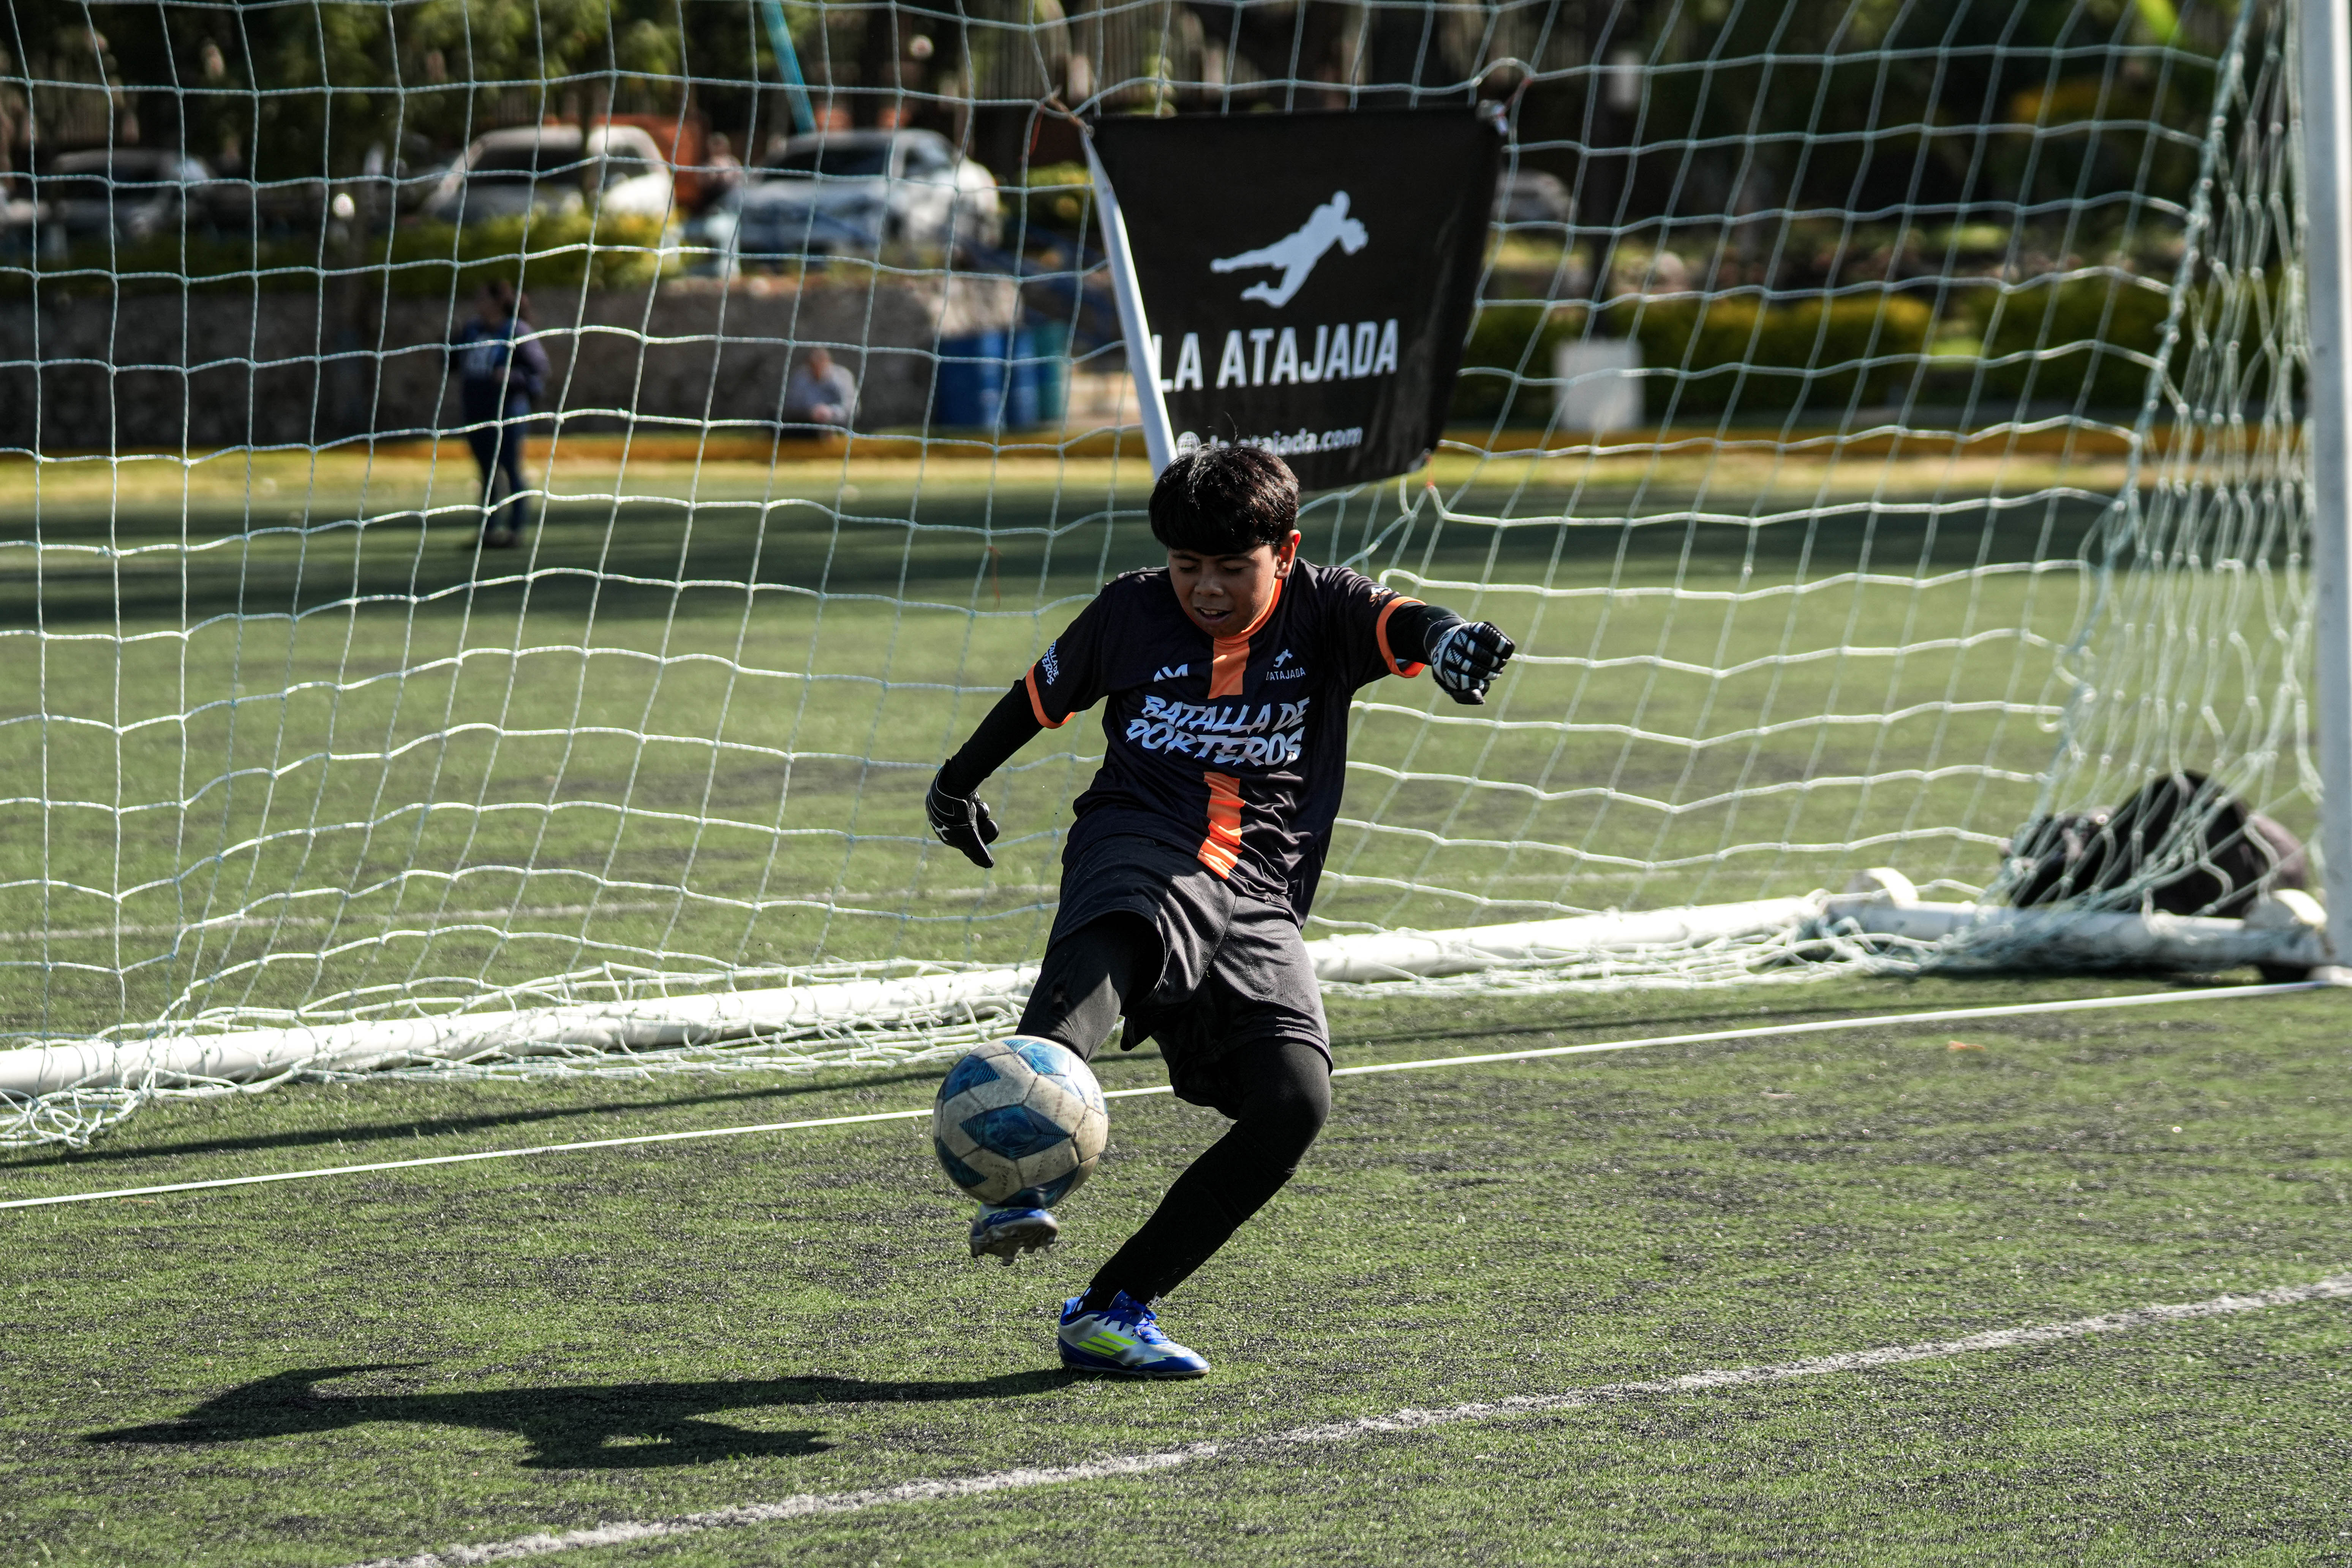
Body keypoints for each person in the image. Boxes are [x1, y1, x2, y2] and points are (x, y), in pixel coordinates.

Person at [924, 443, 1517, 1378]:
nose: (1202, 587)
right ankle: (1016, 1168)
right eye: (1185, 565)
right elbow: (1037, 698)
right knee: (1123, 925)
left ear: (1284, 550)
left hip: (1257, 888)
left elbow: (1408, 622)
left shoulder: (1325, 605)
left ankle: (1111, 1308)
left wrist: (1447, 642)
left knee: (1292, 1102)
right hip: (1139, 836)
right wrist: (954, 783)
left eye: (1228, 568)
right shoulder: (1130, 608)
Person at [447, 278, 548, 548]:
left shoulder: (515, 331)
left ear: (497, 303)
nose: (478, 304)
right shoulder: (472, 331)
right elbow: (453, 365)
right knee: (486, 473)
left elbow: (538, 372)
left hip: (507, 413)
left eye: (483, 298)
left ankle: (515, 530)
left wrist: (510, 377)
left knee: (511, 469)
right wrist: (449, 344)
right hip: (476, 410)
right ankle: (489, 531)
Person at [782, 346, 856, 428]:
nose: (817, 370)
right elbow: (791, 405)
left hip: (835, 422)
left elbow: (851, 407)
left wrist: (831, 412)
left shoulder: (843, 376)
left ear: (829, 362)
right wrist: (811, 412)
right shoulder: (800, 377)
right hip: (806, 421)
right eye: (813, 365)